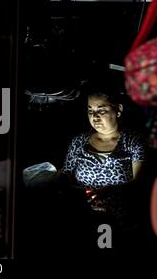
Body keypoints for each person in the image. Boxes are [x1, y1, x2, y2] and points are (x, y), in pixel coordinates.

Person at [62, 90, 146, 233]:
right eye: (90, 111)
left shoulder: (133, 141)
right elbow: (66, 175)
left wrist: (110, 191)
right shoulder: (78, 142)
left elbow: (139, 182)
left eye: (101, 110)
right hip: (82, 216)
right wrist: (82, 193)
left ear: (118, 110)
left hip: (120, 219)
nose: (95, 117)